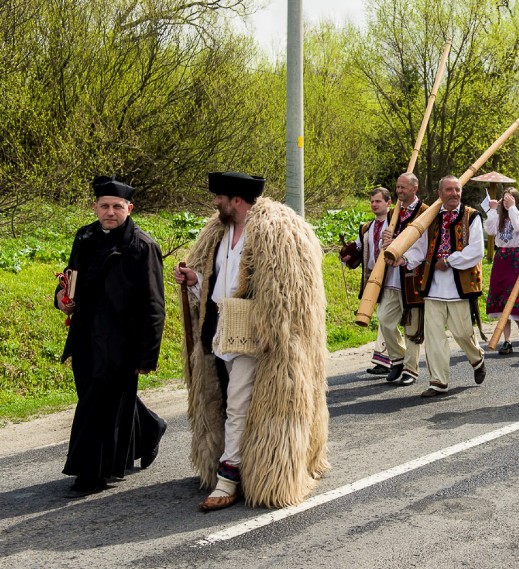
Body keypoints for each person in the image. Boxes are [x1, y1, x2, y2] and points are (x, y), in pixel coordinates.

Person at [175, 172, 329, 511]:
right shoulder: (219, 232)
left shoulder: (277, 232)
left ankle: (229, 477)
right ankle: (235, 466)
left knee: (238, 404)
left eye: (220, 197)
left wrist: (272, 326)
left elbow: (289, 289)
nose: (215, 203)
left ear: (237, 201)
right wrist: (194, 280)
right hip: (218, 330)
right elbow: (216, 284)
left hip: (254, 336)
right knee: (222, 400)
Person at [55, 176, 166, 496]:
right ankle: (149, 429)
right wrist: (63, 300)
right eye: (104, 206)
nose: (110, 212)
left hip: (122, 344)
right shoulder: (85, 237)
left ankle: (91, 474)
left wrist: (146, 356)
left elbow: (154, 306)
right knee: (99, 400)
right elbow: (69, 283)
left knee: (98, 408)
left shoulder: (142, 246)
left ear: (129, 208)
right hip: (85, 337)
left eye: (117, 206)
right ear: (95, 207)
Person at [400, 175, 486, 398]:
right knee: (434, 335)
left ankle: (477, 358)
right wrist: (404, 259)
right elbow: (419, 248)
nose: (454, 194)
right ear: (440, 194)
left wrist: (450, 260)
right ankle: (438, 381)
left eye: (457, 190)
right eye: (449, 190)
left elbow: (477, 250)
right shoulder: (431, 218)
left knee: (462, 333)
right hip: (433, 286)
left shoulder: (472, 217)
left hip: (460, 286)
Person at [376, 173, 429, 385]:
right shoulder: (393, 212)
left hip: (412, 275)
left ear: (414, 189)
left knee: (412, 327)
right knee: (385, 321)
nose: (399, 191)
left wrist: (403, 255)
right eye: (397, 187)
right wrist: (386, 242)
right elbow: (385, 245)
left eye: (403, 188)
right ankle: (397, 359)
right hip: (392, 277)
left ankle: (410, 369)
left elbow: (423, 247)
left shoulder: (424, 212)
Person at [341, 187, 393, 376]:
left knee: (386, 317)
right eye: (372, 201)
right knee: (384, 317)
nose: (374, 204)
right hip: (374, 278)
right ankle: (386, 359)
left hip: (394, 275)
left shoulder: (396, 223)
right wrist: (347, 255)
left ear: (389, 203)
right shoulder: (366, 227)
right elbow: (359, 247)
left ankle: (393, 359)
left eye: (378, 201)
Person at [484, 187, 519, 354]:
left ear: (516, 201)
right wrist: (492, 210)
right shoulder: (499, 219)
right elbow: (489, 230)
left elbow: (518, 227)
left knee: (514, 296)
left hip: (516, 259)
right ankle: (507, 341)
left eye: (509, 200)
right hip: (502, 258)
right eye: (504, 200)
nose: (505, 203)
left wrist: (512, 208)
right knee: (502, 298)